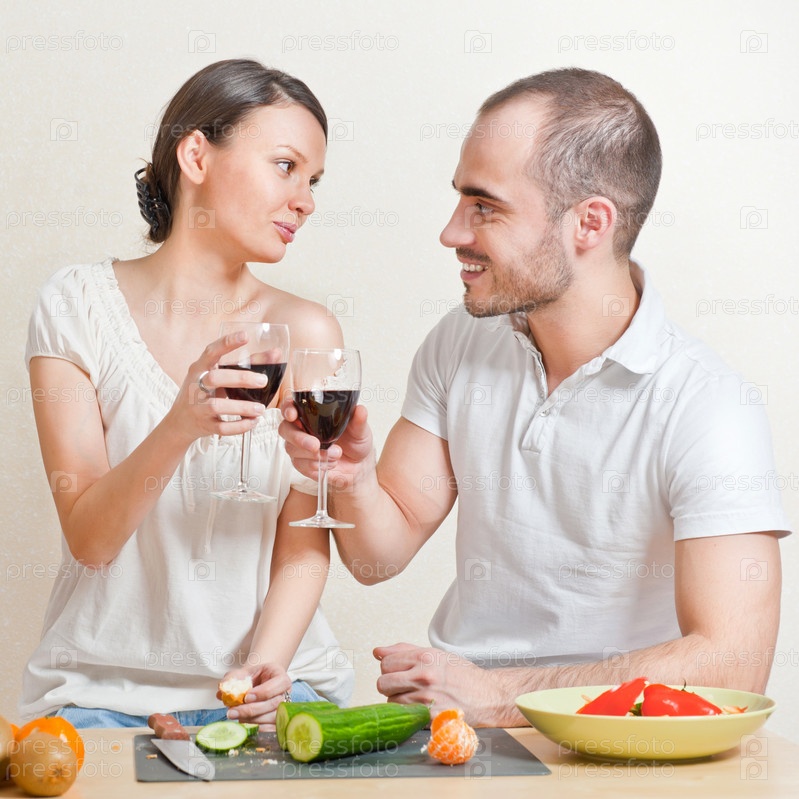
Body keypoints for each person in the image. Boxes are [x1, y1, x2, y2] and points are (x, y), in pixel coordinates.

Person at [281, 68, 790, 726]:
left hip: (621, 740)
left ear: (589, 223)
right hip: (463, 728)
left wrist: (500, 694)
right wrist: (351, 481)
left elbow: (734, 663)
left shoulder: (708, 405)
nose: (451, 232)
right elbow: (378, 557)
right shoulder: (461, 339)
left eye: (484, 206)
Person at [21, 59, 352, 728]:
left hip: (273, 689)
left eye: (313, 181)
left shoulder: (308, 330)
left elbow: (302, 540)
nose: (306, 201)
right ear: (196, 155)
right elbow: (90, 540)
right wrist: (180, 425)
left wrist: (263, 669)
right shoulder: (76, 305)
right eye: (285, 167)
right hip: (105, 694)